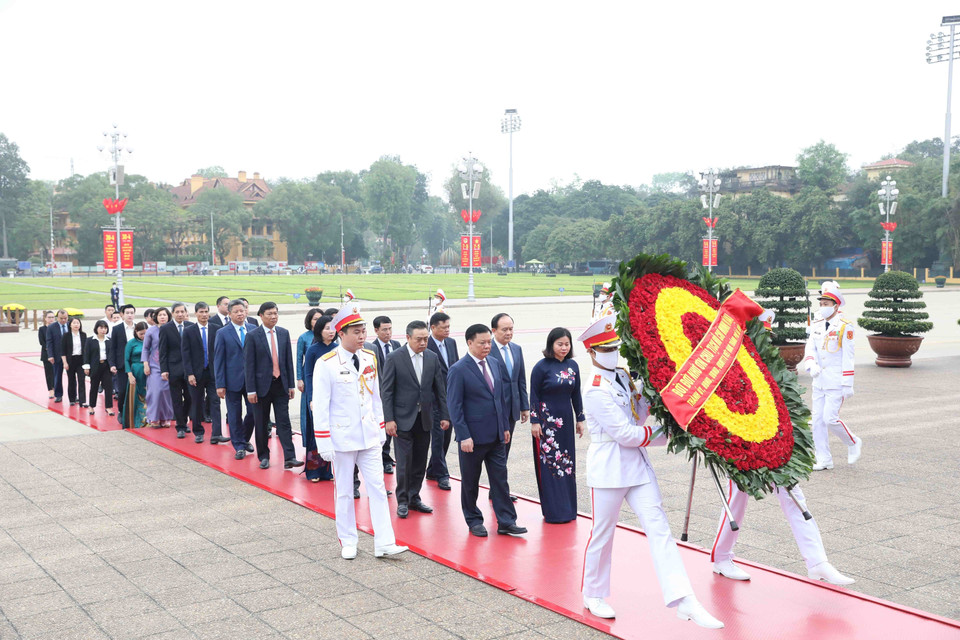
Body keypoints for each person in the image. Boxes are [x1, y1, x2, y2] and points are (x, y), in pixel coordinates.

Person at [577, 315, 723, 628]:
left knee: (659, 530)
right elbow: (625, 434)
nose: (613, 352)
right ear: (591, 352)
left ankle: (684, 599)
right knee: (602, 534)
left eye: (615, 346)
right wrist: (672, 434)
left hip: (637, 467)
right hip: (610, 466)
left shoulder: (620, 375)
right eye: (605, 348)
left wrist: (651, 391)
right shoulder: (595, 389)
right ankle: (593, 593)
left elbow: (638, 413)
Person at [312, 303, 408, 560]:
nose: (362, 335)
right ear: (340, 334)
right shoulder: (327, 363)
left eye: (363, 330)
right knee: (344, 491)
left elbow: (375, 397)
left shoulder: (370, 358)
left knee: (377, 488)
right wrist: (323, 442)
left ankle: (385, 542)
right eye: (355, 331)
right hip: (342, 438)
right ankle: (348, 540)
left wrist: (380, 429)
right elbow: (320, 405)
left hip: (369, 436)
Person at [446, 323, 526, 538]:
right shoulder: (459, 370)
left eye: (489, 342)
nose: (487, 346)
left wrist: (504, 428)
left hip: (497, 436)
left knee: (500, 480)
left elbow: (499, 398)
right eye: (482, 343)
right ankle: (473, 520)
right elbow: (455, 407)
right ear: (470, 343)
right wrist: (464, 435)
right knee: (470, 482)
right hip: (472, 439)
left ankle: (507, 521)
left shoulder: (493, 363)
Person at [382, 320, 449, 518]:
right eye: (419, 339)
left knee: (420, 460)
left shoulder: (432, 357)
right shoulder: (395, 358)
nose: (423, 343)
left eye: (426, 339)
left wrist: (445, 415)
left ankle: (414, 497)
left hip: (425, 419)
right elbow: (387, 392)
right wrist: (389, 419)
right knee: (404, 462)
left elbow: (440, 390)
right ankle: (402, 500)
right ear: (408, 337)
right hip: (402, 419)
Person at [803, 281, 862, 470]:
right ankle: (824, 459)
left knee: (830, 419)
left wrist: (848, 384)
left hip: (836, 381)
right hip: (818, 381)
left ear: (836, 305)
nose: (823, 307)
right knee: (818, 421)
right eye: (821, 303)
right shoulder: (817, 323)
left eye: (826, 304)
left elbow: (848, 357)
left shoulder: (845, 326)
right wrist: (810, 363)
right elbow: (810, 346)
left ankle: (853, 442)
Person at [529, 327, 584, 523]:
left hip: (566, 422)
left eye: (567, 344)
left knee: (567, 465)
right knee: (550, 466)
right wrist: (535, 421)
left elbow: (576, 394)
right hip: (546, 425)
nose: (563, 347)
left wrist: (580, 418)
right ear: (551, 344)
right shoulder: (541, 367)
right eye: (559, 344)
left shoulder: (573, 366)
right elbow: (533, 396)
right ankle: (553, 511)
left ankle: (568, 510)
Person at [244, 302, 302, 470]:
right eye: (269, 314)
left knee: (284, 422)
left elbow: (287, 362)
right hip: (261, 387)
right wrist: (251, 390)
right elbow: (249, 365)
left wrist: (290, 385)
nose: (273, 316)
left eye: (275, 313)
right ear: (261, 316)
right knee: (261, 423)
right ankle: (263, 456)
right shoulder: (253, 336)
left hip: (280, 385)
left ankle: (290, 457)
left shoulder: (283, 333)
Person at [215, 299, 256, 459]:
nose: (240, 314)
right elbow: (218, 360)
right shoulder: (222, 333)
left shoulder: (253, 329)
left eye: (242, 310)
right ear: (230, 314)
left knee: (253, 413)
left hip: (252, 380)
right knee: (234, 414)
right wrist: (220, 384)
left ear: (246, 311)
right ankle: (239, 446)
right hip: (231, 381)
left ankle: (244, 439)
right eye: (236, 311)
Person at [182, 302, 228, 444]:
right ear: (196, 313)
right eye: (201, 312)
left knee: (215, 402)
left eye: (206, 312)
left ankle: (216, 434)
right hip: (196, 374)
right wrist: (189, 373)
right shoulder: (189, 331)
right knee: (196, 403)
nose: (204, 315)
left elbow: (221, 352)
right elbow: (185, 354)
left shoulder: (216, 329)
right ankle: (198, 431)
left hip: (213, 373)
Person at [487, 313, 529, 464]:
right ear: (494, 330)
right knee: (495, 450)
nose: (509, 333)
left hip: (512, 408)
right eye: (504, 329)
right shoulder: (487, 350)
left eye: (511, 329)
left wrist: (524, 406)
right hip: (494, 409)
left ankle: (499, 482)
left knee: (505, 448)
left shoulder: (516, 349)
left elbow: (521, 380)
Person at [425, 311, 459, 490]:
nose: (447, 330)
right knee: (438, 438)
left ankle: (432, 469)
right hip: (434, 400)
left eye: (448, 327)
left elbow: (456, 368)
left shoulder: (451, 343)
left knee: (446, 437)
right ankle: (442, 474)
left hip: (450, 398)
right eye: (443, 327)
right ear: (433, 328)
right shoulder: (426, 345)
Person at [301, 315, 337, 482]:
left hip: (334, 398)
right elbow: (308, 375)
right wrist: (311, 398)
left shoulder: (338, 348)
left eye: (333, 328)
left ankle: (327, 471)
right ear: (319, 331)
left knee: (332, 433)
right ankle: (314, 471)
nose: (331, 332)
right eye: (327, 328)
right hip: (316, 397)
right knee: (316, 434)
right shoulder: (313, 350)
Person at [366, 315, 401, 474]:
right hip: (381, 393)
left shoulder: (397, 345)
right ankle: (384, 458)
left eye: (390, 329)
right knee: (384, 426)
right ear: (376, 330)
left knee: (396, 426)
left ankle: (391, 457)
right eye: (384, 329)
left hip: (398, 393)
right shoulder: (371, 348)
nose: (388, 333)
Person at [159, 302, 194, 438]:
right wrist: (164, 369)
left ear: (186, 313)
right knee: (176, 399)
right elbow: (163, 351)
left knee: (190, 397)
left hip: (189, 369)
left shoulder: (191, 327)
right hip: (173, 368)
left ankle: (184, 420)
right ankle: (180, 426)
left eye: (182, 312)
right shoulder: (166, 328)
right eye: (177, 312)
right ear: (172, 313)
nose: (180, 314)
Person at [142, 307, 174, 428]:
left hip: (169, 365)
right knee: (155, 391)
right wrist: (145, 363)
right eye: (160, 315)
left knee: (166, 392)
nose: (162, 317)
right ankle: (153, 417)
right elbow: (145, 348)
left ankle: (165, 417)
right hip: (154, 365)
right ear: (156, 317)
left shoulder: (172, 330)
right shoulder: (151, 331)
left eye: (164, 315)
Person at [296, 308, 322, 446]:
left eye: (320, 319)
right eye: (315, 319)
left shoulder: (328, 335)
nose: (318, 322)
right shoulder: (304, 337)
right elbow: (299, 359)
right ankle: (309, 442)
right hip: (308, 376)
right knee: (308, 410)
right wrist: (299, 379)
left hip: (323, 376)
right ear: (310, 321)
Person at [109, 304, 137, 427]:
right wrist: (112, 364)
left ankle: (137, 413)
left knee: (138, 389)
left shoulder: (139, 327)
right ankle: (121, 411)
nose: (130, 315)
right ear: (122, 315)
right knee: (123, 389)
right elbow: (112, 348)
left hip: (138, 364)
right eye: (127, 313)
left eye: (132, 312)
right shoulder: (117, 329)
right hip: (122, 365)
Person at [83, 320, 114, 416]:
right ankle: (91, 406)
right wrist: (86, 367)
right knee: (94, 386)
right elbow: (86, 354)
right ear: (96, 328)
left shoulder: (109, 340)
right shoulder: (90, 340)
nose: (103, 330)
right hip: (95, 366)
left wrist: (113, 366)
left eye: (105, 328)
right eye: (101, 328)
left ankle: (108, 407)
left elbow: (112, 355)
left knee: (108, 387)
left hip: (106, 366)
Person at [124, 322, 148, 428]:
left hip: (148, 372)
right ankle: (136, 422)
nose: (143, 336)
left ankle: (149, 420)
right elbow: (126, 359)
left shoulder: (150, 342)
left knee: (149, 395)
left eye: (145, 333)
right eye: (141, 334)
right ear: (136, 332)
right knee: (135, 396)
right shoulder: (131, 343)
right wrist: (129, 374)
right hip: (135, 371)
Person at [61, 317, 87, 407]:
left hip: (81, 360)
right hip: (70, 360)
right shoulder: (66, 335)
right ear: (70, 325)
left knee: (81, 380)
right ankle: (72, 399)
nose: (76, 325)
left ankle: (82, 400)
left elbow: (86, 350)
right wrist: (65, 362)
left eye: (78, 323)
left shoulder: (83, 335)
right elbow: (63, 351)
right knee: (71, 380)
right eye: (74, 323)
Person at [46, 309, 69, 402]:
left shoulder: (71, 325)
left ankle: (73, 395)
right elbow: (49, 342)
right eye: (61, 318)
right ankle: (58, 394)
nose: (63, 320)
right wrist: (50, 355)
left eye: (65, 318)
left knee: (71, 377)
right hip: (57, 355)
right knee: (57, 376)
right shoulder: (51, 327)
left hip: (70, 356)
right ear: (57, 318)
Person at [38, 311, 56, 399]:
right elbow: (42, 342)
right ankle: (51, 390)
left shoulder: (57, 328)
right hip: (47, 354)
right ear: (45, 318)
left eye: (53, 317)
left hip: (57, 354)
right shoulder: (42, 329)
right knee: (49, 373)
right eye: (49, 317)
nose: (51, 319)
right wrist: (50, 349)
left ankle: (57, 388)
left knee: (56, 373)